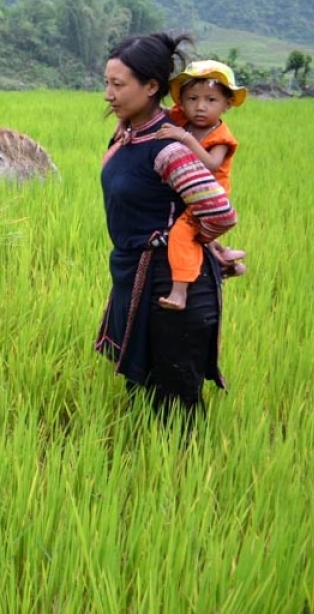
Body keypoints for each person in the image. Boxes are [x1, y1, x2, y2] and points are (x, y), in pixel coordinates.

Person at [96, 32, 238, 425]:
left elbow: (220, 213)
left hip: (171, 288)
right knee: (142, 397)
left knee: (175, 408)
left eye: (118, 85)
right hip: (134, 276)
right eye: (106, 83)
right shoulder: (127, 136)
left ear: (151, 87)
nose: (108, 94)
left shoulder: (169, 147)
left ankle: (184, 466)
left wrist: (196, 242)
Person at [154, 60, 248, 310]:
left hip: (207, 201)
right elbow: (157, 113)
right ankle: (226, 261)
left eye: (211, 100)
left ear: (227, 104)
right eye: (192, 99)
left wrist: (184, 138)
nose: (200, 107)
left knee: (181, 234)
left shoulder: (221, 137)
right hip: (188, 193)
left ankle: (179, 292)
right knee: (193, 235)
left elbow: (211, 164)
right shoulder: (182, 118)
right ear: (182, 102)